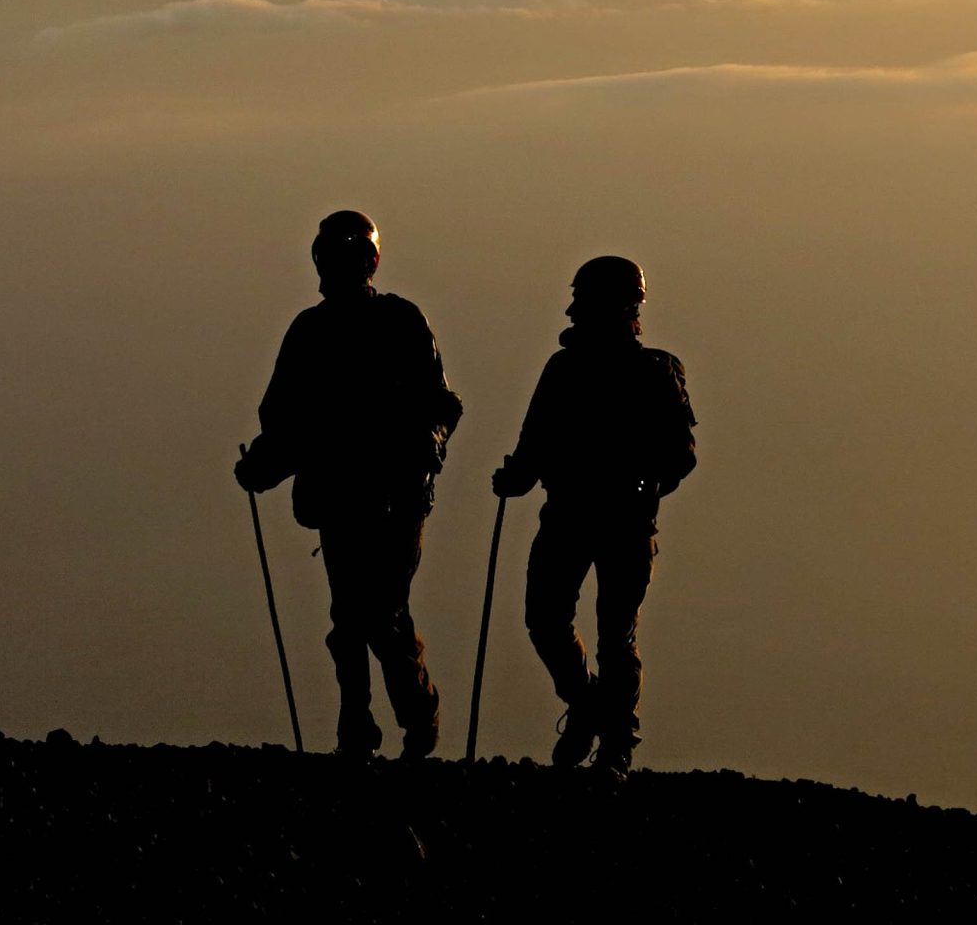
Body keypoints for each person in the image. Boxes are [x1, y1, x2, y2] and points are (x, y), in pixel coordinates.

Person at [235, 210, 462, 759]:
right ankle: (357, 730)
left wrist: (425, 448)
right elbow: (285, 419)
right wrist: (262, 466)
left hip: (395, 495)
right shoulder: (310, 332)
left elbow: (440, 404)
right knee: (349, 620)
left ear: (368, 261)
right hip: (339, 496)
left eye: (349, 257)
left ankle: (415, 719)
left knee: (381, 613)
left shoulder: (401, 321)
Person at [491, 255, 697, 779]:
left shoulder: (656, 372)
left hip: (625, 521)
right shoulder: (563, 370)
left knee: (614, 634)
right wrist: (515, 477)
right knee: (545, 618)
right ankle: (587, 705)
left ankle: (616, 743)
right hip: (568, 514)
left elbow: (681, 454)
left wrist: (649, 484)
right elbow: (533, 443)